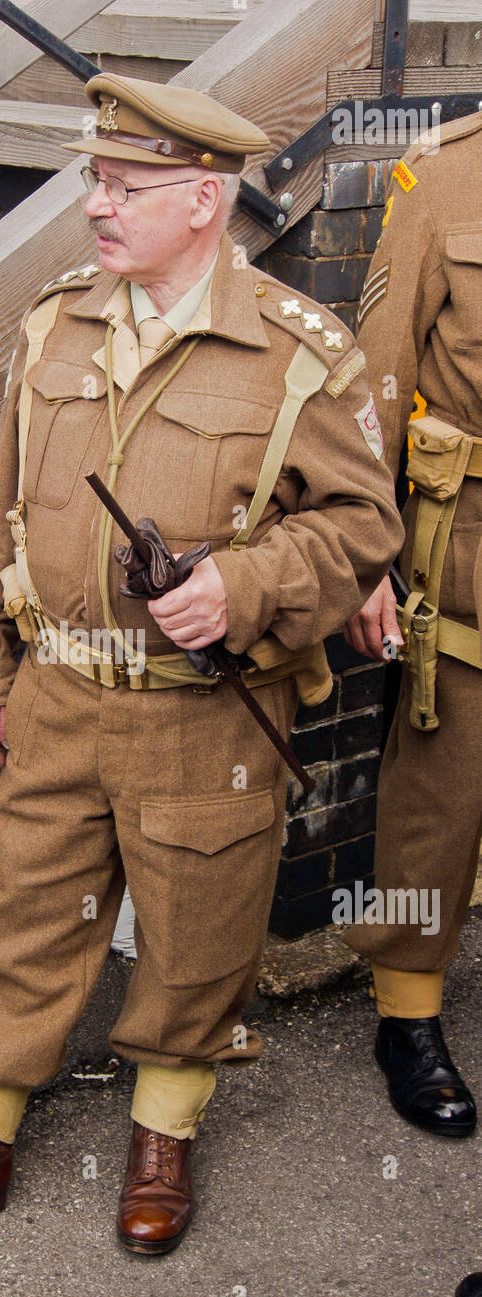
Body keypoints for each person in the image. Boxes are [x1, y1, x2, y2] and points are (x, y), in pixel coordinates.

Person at [0, 74, 403, 1254]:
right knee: (16, 910)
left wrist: (242, 586)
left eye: (127, 186)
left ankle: (163, 1135)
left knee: (197, 930)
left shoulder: (300, 353)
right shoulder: (56, 325)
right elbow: (1, 521)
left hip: (203, 715)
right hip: (57, 690)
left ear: (204, 199)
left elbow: (361, 530)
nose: (97, 203)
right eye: (96, 179)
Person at [343, 112, 482, 1137]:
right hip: (467, 538)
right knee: (442, 784)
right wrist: (361, 557)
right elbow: (376, 379)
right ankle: (407, 1014)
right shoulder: (441, 177)